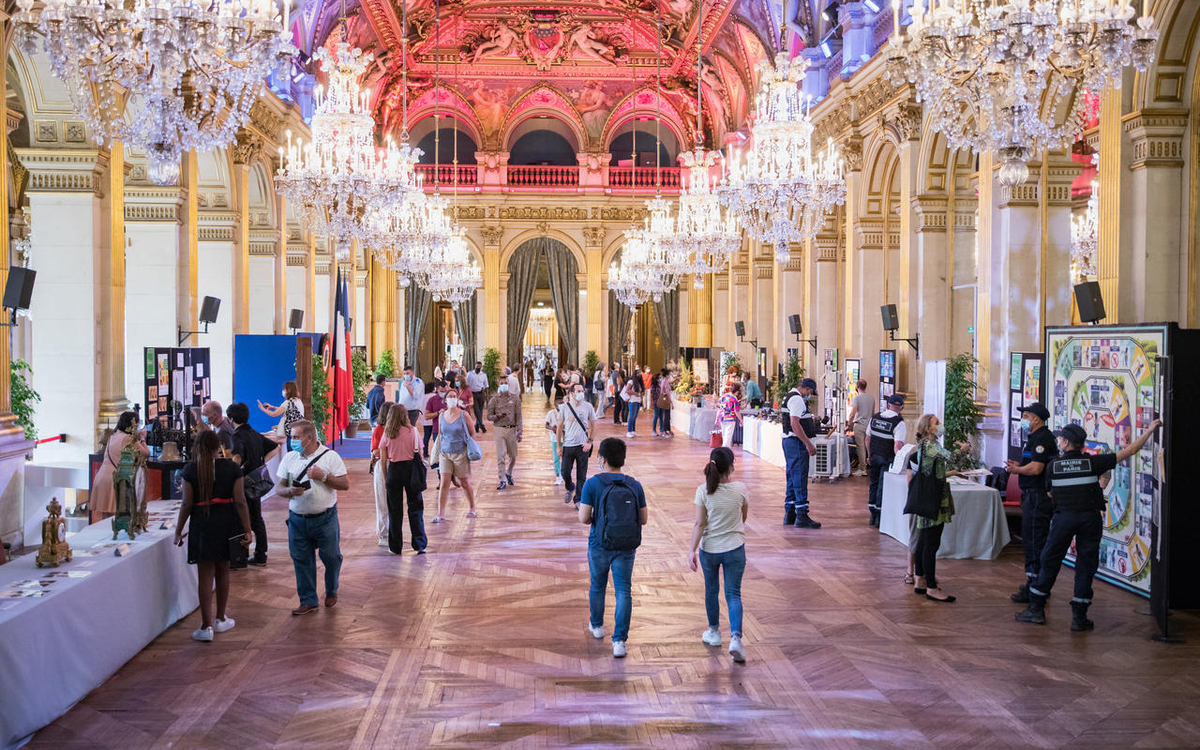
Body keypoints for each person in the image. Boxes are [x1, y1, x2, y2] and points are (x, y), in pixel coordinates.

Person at [1016, 420, 1162, 630]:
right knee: (1086, 565)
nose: (1058, 441)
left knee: (1049, 560)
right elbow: (1129, 451)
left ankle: (1036, 610)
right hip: (1089, 519)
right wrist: (1149, 430)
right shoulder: (1094, 463)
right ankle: (1079, 618)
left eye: (1060, 439)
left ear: (1065, 442)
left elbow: (1049, 493)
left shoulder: (1053, 467)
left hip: (1063, 519)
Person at [174, 430, 252, 641]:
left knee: (205, 576)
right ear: (218, 446)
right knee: (224, 571)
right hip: (227, 522)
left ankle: (205, 626)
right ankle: (220, 619)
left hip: (202, 524)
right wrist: (247, 529)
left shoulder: (190, 470)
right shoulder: (232, 468)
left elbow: (187, 503)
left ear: (197, 448)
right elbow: (240, 501)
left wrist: (179, 529)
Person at [579, 438, 648, 659]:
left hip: (599, 543)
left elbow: (583, 518)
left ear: (602, 459)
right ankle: (619, 641)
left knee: (597, 586)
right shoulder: (634, 485)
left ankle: (597, 626)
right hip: (626, 546)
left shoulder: (592, 484)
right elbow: (644, 519)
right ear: (623, 460)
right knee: (623, 591)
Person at [274, 420, 348, 616]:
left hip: (325, 518)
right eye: (292, 437)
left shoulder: (330, 457)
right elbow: (278, 487)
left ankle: (331, 590)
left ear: (310, 438)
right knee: (301, 559)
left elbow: (345, 484)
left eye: (296, 437)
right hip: (297, 519)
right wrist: (288, 490)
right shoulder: (290, 458)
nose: (293, 440)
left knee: (331, 557)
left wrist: (323, 477)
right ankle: (308, 600)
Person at [687, 446, 749, 662]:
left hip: (710, 549)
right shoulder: (740, 489)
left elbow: (700, 523)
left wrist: (691, 550)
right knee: (734, 593)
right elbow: (743, 516)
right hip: (735, 548)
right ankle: (736, 638)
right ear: (731, 467)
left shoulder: (702, 491)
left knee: (711, 591)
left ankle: (713, 632)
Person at [1003, 402, 1058, 603]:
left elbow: (1036, 469)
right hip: (1032, 495)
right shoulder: (1035, 437)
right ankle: (1035, 583)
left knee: (1035, 541)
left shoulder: (1043, 438)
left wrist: (1018, 471)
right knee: (1031, 539)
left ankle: (1036, 587)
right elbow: (1032, 464)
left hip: (1038, 497)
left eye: (1026, 416)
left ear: (1036, 419)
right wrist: (1020, 465)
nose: (1023, 420)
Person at [908, 414, 958, 603]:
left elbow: (932, 470)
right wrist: (963, 449)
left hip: (925, 497)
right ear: (929, 429)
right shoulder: (932, 445)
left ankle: (920, 579)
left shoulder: (924, 445)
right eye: (937, 423)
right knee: (931, 543)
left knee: (923, 541)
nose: (940, 425)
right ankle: (931, 587)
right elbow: (952, 459)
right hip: (934, 499)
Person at [227, 402, 280, 568]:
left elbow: (237, 458)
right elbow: (275, 447)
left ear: (231, 418)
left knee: (239, 518)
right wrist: (262, 462)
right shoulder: (254, 433)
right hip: (256, 481)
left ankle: (240, 557)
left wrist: (230, 474)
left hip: (242, 482)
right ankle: (260, 554)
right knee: (257, 518)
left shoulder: (237, 436)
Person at [379, 407, 427, 555]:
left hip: (394, 470)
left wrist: (386, 476)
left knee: (394, 510)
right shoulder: (413, 431)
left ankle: (395, 546)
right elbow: (421, 454)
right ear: (405, 416)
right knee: (415, 507)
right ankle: (419, 544)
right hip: (411, 470)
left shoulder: (387, 433)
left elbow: (383, 459)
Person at [91, 411, 149, 523]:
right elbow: (145, 453)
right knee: (116, 518)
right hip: (114, 481)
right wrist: (142, 438)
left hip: (102, 478)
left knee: (106, 518)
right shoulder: (127, 438)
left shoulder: (113, 435)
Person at [781, 378, 820, 529]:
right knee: (799, 477)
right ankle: (802, 515)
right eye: (810, 392)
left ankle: (790, 513)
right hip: (796, 443)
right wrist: (808, 443)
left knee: (792, 476)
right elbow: (794, 423)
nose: (809, 395)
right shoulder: (797, 400)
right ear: (806, 388)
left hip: (789, 442)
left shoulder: (789, 395)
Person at [435, 389, 478, 522]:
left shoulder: (463, 415)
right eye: (450, 396)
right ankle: (440, 513)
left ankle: (472, 507)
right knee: (444, 483)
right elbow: (441, 435)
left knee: (464, 482)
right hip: (445, 453)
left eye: (454, 396)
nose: (452, 398)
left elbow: (472, 433)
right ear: (445, 400)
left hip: (460, 452)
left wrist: (471, 447)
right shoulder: (442, 416)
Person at [866, 394, 907, 528]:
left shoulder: (875, 418)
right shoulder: (899, 423)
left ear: (888, 405)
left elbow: (867, 438)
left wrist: (869, 455)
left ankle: (872, 514)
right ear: (901, 407)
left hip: (874, 456)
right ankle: (879, 516)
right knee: (883, 487)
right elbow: (897, 446)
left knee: (873, 484)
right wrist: (902, 461)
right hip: (887, 458)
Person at [557, 383, 597, 506]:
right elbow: (559, 427)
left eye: (582, 391)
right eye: (578, 391)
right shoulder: (564, 407)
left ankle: (578, 500)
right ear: (572, 393)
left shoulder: (588, 406)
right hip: (568, 445)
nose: (581, 393)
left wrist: (590, 442)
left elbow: (594, 425)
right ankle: (570, 486)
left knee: (582, 475)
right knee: (564, 472)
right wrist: (559, 445)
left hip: (582, 446)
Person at [486, 376, 523, 490]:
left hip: (511, 429)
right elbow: (489, 416)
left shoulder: (515, 398)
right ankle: (502, 479)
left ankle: (509, 473)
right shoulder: (494, 399)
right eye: (501, 383)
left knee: (513, 455)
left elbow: (518, 415)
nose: (503, 385)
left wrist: (520, 431)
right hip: (499, 429)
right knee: (501, 455)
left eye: (505, 383)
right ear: (499, 385)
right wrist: (497, 416)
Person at [370, 402, 394, 546]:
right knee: (382, 501)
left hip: (396, 464)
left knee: (394, 501)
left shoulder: (399, 429)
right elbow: (375, 451)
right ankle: (383, 534)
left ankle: (394, 531)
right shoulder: (379, 430)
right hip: (383, 464)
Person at [847, 379, 874, 477]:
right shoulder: (871, 398)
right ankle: (869, 463)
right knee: (868, 446)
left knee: (860, 446)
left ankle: (862, 468)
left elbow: (852, 413)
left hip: (859, 425)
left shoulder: (856, 398)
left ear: (857, 387)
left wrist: (849, 424)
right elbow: (872, 413)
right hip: (869, 424)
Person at [424, 383, 447, 462]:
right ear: (437, 390)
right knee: (439, 453)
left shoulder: (451, 399)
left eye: (445, 391)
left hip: (450, 430)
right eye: (441, 391)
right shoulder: (432, 400)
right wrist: (438, 413)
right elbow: (426, 416)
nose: (443, 393)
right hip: (437, 430)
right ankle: (440, 472)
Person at [717, 383, 743, 449]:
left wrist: (716, 418)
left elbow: (719, 408)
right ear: (737, 391)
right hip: (730, 418)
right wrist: (740, 419)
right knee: (728, 435)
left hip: (722, 417)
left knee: (724, 435)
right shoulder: (734, 399)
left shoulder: (722, 397)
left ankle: (727, 449)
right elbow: (736, 411)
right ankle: (724, 450)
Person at [466, 361, 489, 433]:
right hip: (472, 394)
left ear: (481, 367)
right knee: (476, 410)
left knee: (480, 410)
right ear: (475, 366)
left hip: (480, 393)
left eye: (479, 367)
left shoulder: (484, 375)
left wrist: (487, 396)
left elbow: (486, 386)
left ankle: (477, 426)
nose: (478, 368)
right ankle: (481, 425)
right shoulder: (470, 374)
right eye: (477, 366)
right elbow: (467, 385)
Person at [545, 397, 563, 485]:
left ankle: (563, 474)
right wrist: (552, 428)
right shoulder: (551, 413)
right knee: (556, 458)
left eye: (562, 403)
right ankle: (558, 476)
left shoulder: (567, 412)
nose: (561, 405)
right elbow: (546, 425)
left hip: (566, 439)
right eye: (559, 403)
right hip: (555, 439)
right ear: (555, 404)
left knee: (565, 458)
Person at [621, 371, 645, 438]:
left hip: (638, 401)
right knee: (632, 416)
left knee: (635, 416)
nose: (640, 375)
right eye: (638, 373)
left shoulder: (639, 383)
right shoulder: (631, 381)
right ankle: (629, 431)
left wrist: (642, 393)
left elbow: (641, 391)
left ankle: (633, 431)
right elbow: (627, 390)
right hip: (632, 401)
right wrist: (635, 394)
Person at [654, 369, 674, 437]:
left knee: (665, 415)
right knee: (667, 416)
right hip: (666, 400)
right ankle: (665, 431)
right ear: (667, 375)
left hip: (664, 399)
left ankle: (667, 430)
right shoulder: (666, 382)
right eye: (669, 374)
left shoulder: (663, 381)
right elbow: (667, 392)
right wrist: (671, 402)